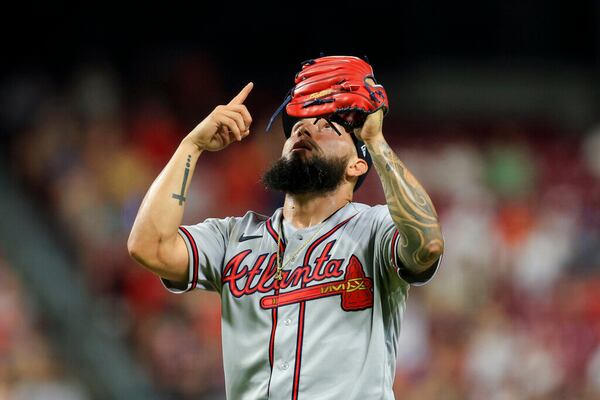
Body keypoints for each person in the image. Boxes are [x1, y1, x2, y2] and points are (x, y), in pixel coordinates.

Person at [128, 72, 444, 399]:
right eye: (298, 126)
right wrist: (190, 146)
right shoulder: (233, 236)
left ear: (356, 166)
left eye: (327, 127)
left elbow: (428, 243)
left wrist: (376, 143)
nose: (304, 128)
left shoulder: (374, 230)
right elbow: (149, 246)